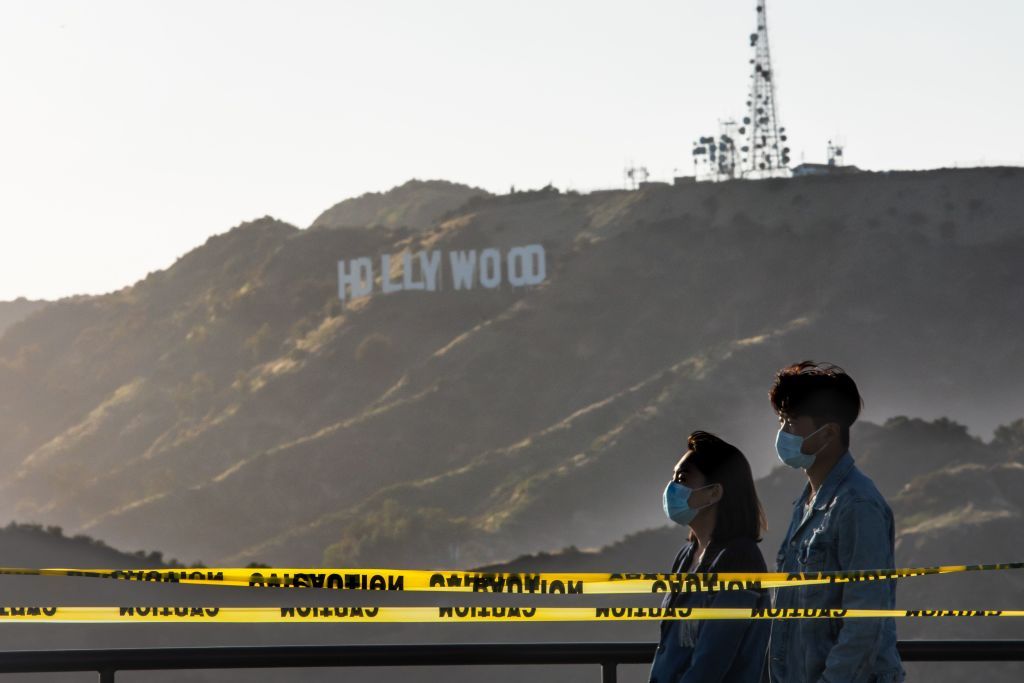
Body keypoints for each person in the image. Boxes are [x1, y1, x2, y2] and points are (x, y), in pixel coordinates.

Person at [765, 361, 905, 682]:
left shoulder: (857, 506)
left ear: (828, 432)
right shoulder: (807, 503)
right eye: (781, 421)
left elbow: (865, 620)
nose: (783, 434)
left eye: (791, 423)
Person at [649, 430, 770, 683]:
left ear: (714, 492)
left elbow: (713, 658)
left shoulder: (740, 559)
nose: (672, 488)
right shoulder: (687, 556)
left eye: (682, 479)